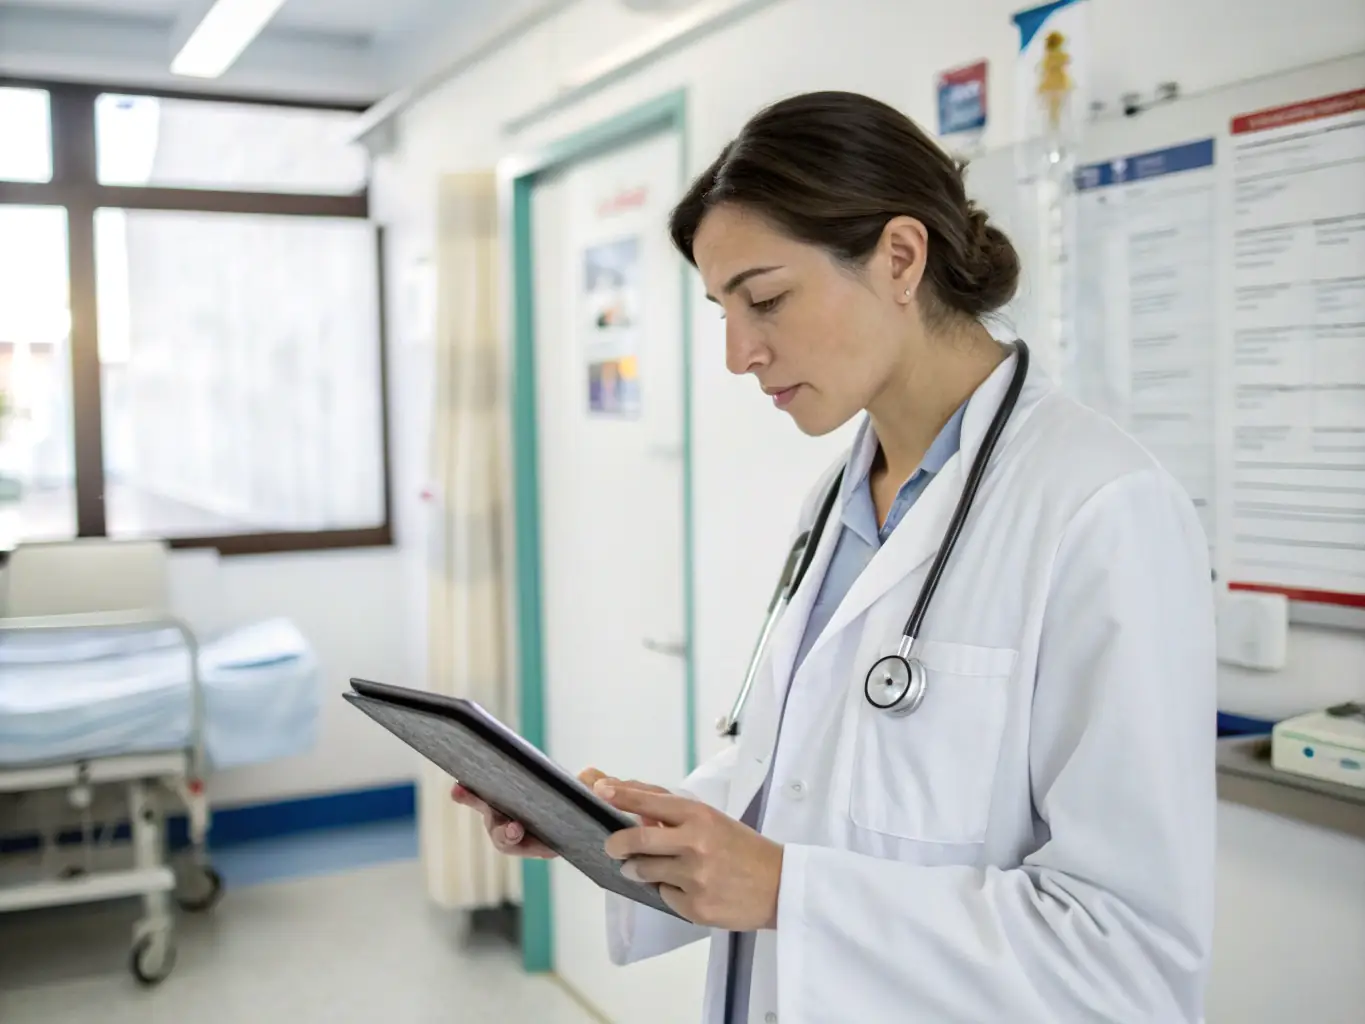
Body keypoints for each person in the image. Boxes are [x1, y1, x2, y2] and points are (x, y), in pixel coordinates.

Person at [453, 90, 1216, 1023]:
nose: (738, 354)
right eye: (720, 311)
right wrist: (615, 834)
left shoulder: (1100, 507)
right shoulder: (835, 501)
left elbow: (1126, 950)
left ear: (900, 257)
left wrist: (785, 891)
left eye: (765, 299)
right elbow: (797, 783)